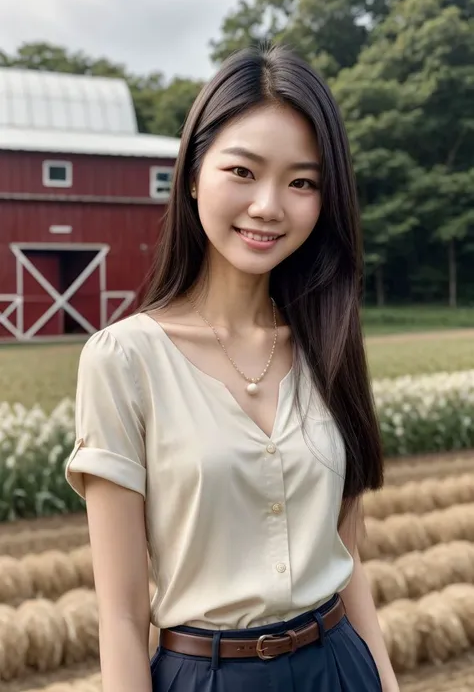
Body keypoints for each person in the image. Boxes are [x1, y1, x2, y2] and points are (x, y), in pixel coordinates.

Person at [65, 44, 399, 692]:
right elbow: (122, 613)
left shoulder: (326, 341)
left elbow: (347, 554)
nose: (270, 205)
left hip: (340, 664)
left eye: (302, 182)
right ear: (193, 173)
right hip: (207, 675)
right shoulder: (124, 359)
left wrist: (385, 680)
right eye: (244, 171)